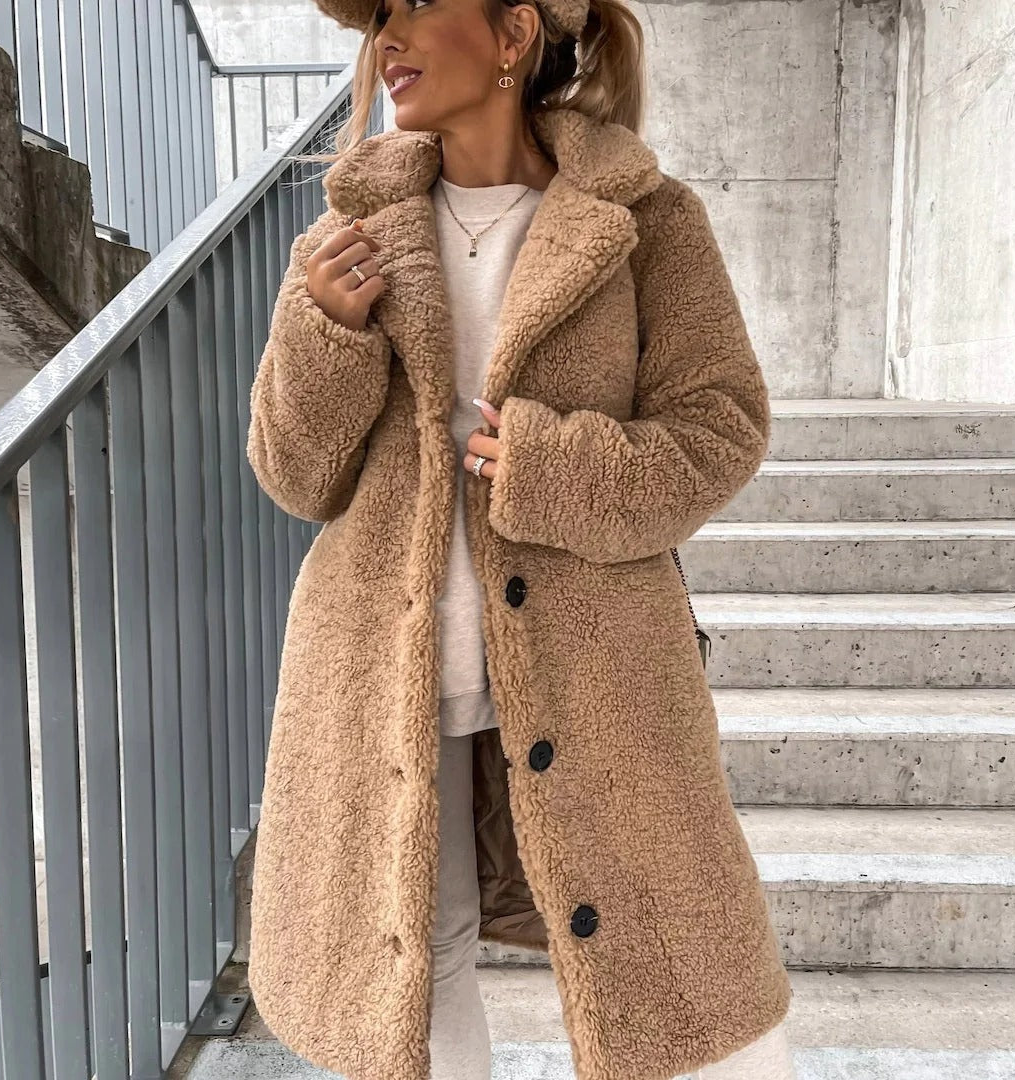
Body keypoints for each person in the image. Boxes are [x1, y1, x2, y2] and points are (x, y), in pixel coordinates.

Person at [245, 0, 797, 1077]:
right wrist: (327, 331)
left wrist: (554, 468)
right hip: (387, 664)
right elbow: (294, 475)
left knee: (691, 964)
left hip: (599, 658)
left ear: (513, 34)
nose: (390, 36)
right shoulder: (345, 239)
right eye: (381, 15)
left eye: (419, 4)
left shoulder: (643, 220)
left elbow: (721, 428)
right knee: (412, 968)